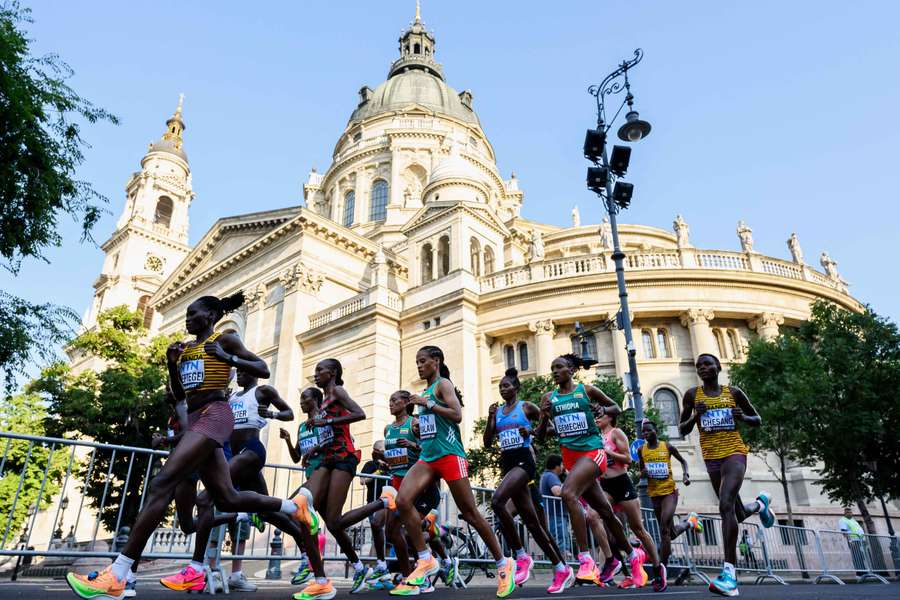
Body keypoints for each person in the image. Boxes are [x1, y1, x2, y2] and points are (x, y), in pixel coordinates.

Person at [65, 292, 321, 600]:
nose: (188, 320)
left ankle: (119, 574)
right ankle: (294, 507)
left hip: (215, 415)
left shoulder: (224, 340)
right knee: (227, 498)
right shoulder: (186, 349)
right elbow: (178, 395)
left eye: (193, 315)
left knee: (163, 483)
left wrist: (228, 359)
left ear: (210, 317)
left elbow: (262, 368)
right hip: (197, 416)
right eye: (185, 315)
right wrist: (172, 364)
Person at [384, 346, 517, 598]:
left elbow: (456, 415)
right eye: (417, 362)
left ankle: (503, 562)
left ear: (436, 361)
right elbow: (430, 428)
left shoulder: (443, 385)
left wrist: (428, 403)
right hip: (428, 456)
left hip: (449, 455)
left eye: (423, 361)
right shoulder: (424, 392)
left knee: (469, 513)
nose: (419, 366)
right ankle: (425, 559)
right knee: (402, 500)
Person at [162, 368, 300, 593]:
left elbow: (289, 413)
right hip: (234, 454)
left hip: (251, 450)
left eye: (244, 373)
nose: (240, 376)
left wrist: (271, 415)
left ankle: (196, 568)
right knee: (263, 510)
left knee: (206, 498)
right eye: (239, 374)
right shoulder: (232, 397)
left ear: (253, 374)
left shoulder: (263, 391)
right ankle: (302, 534)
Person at [535, 354, 638, 587]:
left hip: (593, 453)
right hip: (571, 459)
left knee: (568, 493)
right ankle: (629, 555)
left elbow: (615, 408)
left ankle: (586, 560)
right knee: (603, 510)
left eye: (559, 367)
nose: (554, 371)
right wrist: (543, 416)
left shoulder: (586, 390)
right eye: (552, 368)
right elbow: (541, 437)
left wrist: (600, 408)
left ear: (571, 370)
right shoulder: (548, 398)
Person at [679, 353, 776, 597]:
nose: (703, 368)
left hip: (734, 453)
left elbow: (757, 419)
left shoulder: (734, 392)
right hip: (711, 458)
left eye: (708, 364)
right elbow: (681, 429)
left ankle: (729, 575)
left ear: (718, 367)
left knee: (725, 506)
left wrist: (743, 417)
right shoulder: (692, 395)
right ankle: (760, 504)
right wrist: (695, 416)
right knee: (736, 512)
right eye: (699, 365)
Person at [483, 368, 573, 593]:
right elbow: (486, 442)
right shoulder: (500, 411)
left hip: (524, 463)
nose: (503, 389)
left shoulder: (526, 407)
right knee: (532, 523)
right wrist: (490, 418)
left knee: (497, 501)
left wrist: (530, 431)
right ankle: (561, 568)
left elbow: (548, 431)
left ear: (516, 388)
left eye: (507, 386)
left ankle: (521, 556)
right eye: (500, 386)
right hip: (508, 464)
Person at [301, 358, 369, 594]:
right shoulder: (323, 402)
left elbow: (360, 414)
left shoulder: (338, 391)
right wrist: (314, 448)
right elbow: (329, 433)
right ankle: (357, 568)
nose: (316, 374)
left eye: (320, 370)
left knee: (333, 521)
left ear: (332, 373)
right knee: (318, 515)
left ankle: (383, 502)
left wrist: (328, 420)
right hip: (328, 458)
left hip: (344, 458)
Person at [597, 410, 664, 590]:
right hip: (605, 484)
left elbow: (628, 458)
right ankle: (615, 563)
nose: (597, 419)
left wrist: (608, 452)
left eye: (600, 416)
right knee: (593, 516)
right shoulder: (596, 436)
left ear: (610, 417)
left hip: (621, 483)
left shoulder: (616, 433)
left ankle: (658, 568)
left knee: (638, 528)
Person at [637, 420, 702, 580]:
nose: (646, 434)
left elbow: (684, 461)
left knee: (664, 528)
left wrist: (686, 474)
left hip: (669, 493)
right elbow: (641, 470)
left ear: (656, 430)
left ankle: (662, 570)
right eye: (643, 432)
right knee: (670, 534)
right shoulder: (641, 450)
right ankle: (690, 522)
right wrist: (643, 473)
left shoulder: (667, 447)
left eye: (649, 431)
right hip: (655, 494)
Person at [279, 387, 329, 586]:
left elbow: (330, 443)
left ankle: (310, 554)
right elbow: (296, 457)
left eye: (304, 398)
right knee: (332, 522)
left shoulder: (324, 419)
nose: (300, 402)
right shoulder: (302, 427)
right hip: (310, 476)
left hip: (323, 474)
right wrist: (289, 441)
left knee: (291, 509)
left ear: (316, 400)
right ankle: (313, 552)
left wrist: (314, 450)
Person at [539, 455, 569, 557]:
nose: (563, 467)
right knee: (561, 541)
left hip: (554, 514)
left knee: (559, 540)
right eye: (562, 464)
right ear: (557, 465)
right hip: (556, 515)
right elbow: (557, 492)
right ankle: (564, 565)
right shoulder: (551, 476)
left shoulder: (546, 475)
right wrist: (569, 479)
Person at [838, 507, 867, 575]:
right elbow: (844, 532)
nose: (850, 514)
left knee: (861, 556)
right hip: (853, 541)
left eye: (851, 512)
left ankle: (863, 571)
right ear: (845, 513)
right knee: (856, 556)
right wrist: (850, 541)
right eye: (848, 512)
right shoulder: (843, 520)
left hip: (860, 540)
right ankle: (860, 572)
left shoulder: (853, 520)